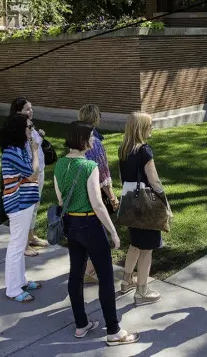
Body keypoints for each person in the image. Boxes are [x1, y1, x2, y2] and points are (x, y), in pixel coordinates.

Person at [54, 121, 139, 345]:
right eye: (91, 137)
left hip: (71, 225)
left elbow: (61, 200)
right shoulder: (89, 166)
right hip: (90, 225)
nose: (94, 140)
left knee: (76, 274)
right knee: (106, 277)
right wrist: (113, 232)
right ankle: (113, 331)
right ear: (82, 139)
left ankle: (81, 324)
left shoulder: (60, 164)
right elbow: (98, 205)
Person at [119, 111, 165, 306]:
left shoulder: (124, 148)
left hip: (129, 201)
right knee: (147, 249)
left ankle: (126, 280)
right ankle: (142, 292)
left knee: (135, 243)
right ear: (142, 128)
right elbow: (154, 180)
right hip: (146, 204)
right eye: (150, 125)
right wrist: (164, 200)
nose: (152, 128)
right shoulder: (144, 150)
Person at [0, 114, 42, 302]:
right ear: (18, 130)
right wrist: (34, 152)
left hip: (25, 201)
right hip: (17, 203)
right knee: (17, 245)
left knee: (20, 242)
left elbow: (29, 175)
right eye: (28, 127)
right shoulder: (11, 152)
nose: (31, 130)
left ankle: (21, 280)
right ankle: (13, 289)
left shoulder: (18, 149)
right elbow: (33, 173)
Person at [78, 104, 119, 283]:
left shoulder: (76, 138)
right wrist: (111, 195)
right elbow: (102, 172)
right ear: (95, 118)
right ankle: (90, 271)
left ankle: (84, 267)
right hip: (93, 194)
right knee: (100, 235)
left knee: (85, 234)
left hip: (79, 195)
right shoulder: (95, 142)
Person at [10, 97, 48, 256]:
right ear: (18, 112)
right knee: (26, 208)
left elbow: (34, 145)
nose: (30, 111)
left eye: (31, 108)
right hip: (28, 174)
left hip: (39, 170)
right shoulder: (18, 129)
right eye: (27, 109)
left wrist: (39, 135)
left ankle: (30, 235)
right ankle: (23, 245)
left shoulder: (30, 125)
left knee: (35, 205)